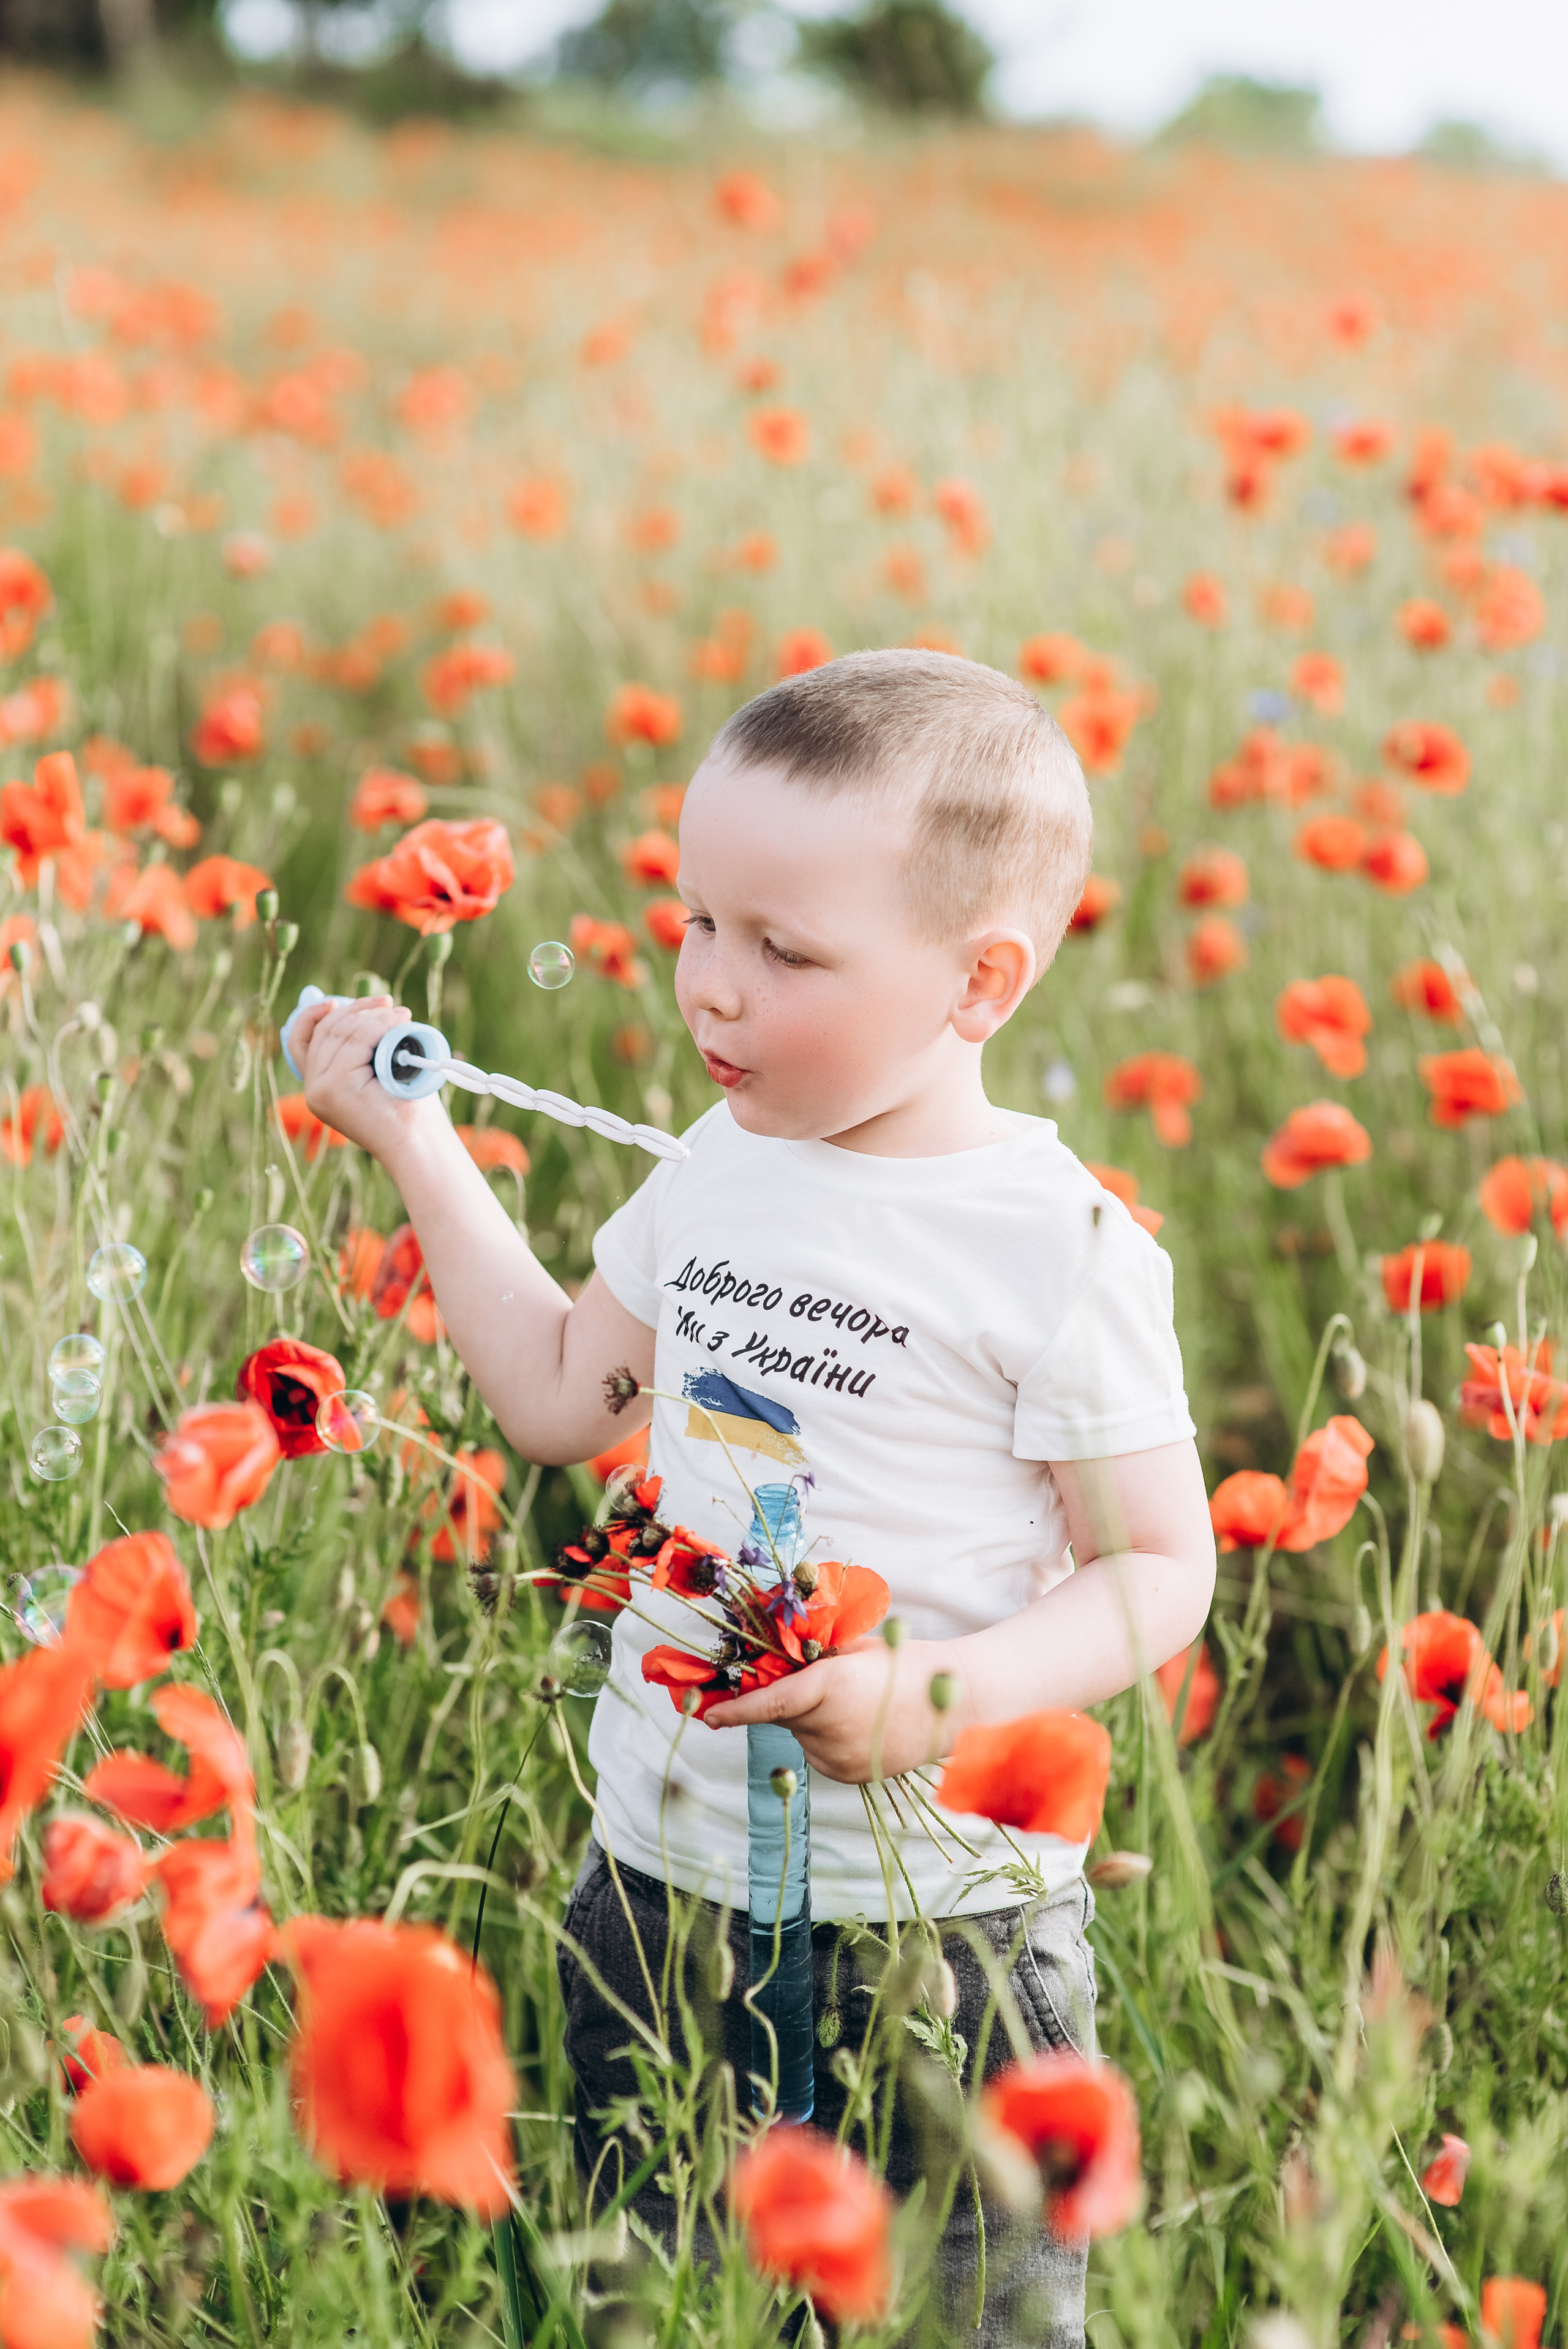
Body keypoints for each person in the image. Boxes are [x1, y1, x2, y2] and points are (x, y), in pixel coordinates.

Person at [294, 647, 1217, 2346]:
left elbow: (1160, 1568)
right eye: (696, 923)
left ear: (979, 981)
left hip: (944, 1919)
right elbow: (571, 1394)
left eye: (783, 950)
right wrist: (417, 1146)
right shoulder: (717, 1169)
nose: (710, 989)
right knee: (652, 2299)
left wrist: (935, 1695)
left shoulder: (1058, 1247)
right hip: (659, 1880)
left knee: (973, 2315)